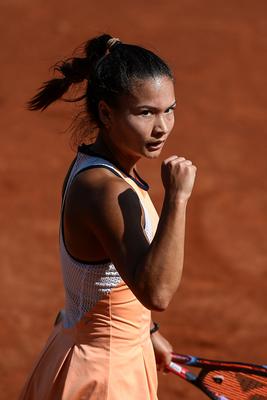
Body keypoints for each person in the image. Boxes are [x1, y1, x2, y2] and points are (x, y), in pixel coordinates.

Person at [19, 34, 196, 400]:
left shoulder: (100, 169)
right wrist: (177, 199)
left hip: (99, 352)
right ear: (105, 113)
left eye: (170, 109)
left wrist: (145, 332)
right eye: (145, 112)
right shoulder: (106, 191)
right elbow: (157, 292)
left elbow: (106, 275)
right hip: (104, 377)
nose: (162, 126)